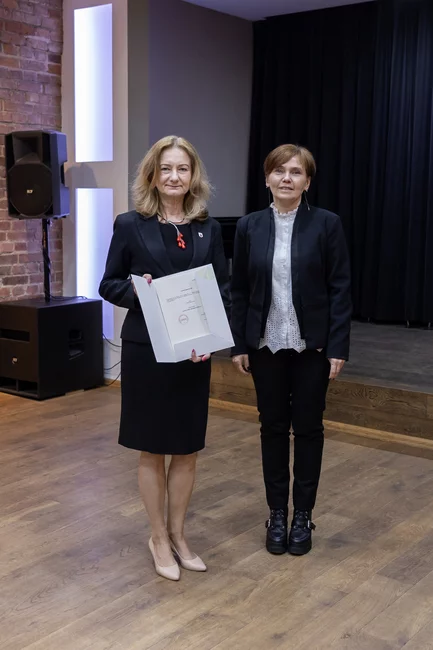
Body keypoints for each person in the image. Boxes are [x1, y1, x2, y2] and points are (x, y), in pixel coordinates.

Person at [99, 136, 230, 580]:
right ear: (152, 176)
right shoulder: (129, 224)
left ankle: (179, 535)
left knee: (187, 448)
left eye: (183, 169)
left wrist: (213, 340)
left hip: (193, 353)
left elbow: (221, 290)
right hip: (146, 352)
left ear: (194, 176)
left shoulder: (209, 228)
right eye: (167, 169)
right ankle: (157, 538)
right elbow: (108, 283)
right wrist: (138, 290)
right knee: (153, 447)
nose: (175, 176)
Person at [230, 144, 351, 556]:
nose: (286, 178)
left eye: (296, 172)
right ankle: (277, 513)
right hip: (264, 345)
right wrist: (240, 343)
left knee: (309, 428)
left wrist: (338, 345)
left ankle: (304, 515)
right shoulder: (248, 226)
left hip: (311, 346)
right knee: (272, 428)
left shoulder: (327, 224)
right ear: (267, 178)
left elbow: (340, 288)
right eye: (279, 171)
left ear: (307, 182)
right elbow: (239, 289)